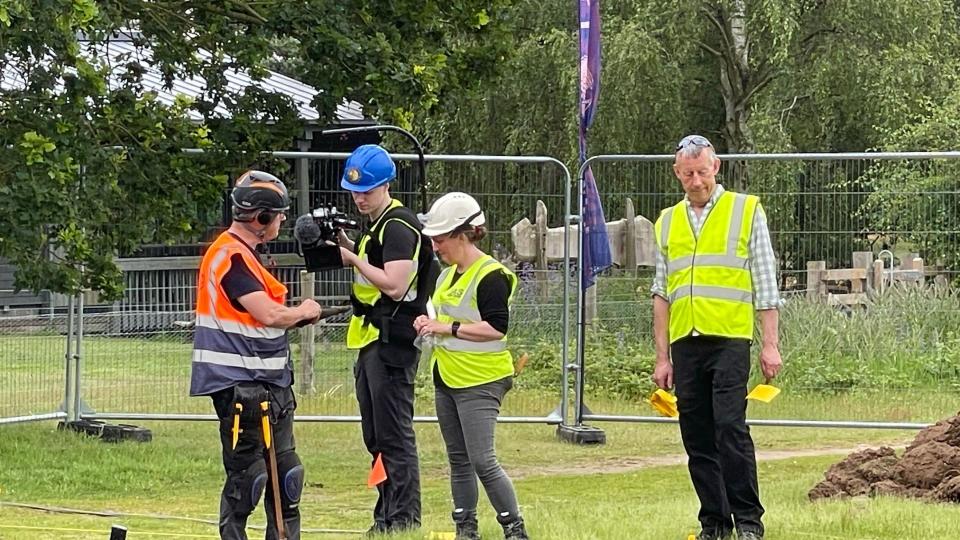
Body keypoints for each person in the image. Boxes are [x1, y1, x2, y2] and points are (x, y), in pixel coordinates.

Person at [651, 135, 783, 540]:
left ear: (716, 167)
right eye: (687, 174)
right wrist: (662, 356)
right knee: (696, 435)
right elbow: (661, 292)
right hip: (685, 343)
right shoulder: (667, 220)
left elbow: (765, 282)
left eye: (702, 172)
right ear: (677, 173)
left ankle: (748, 521)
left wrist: (770, 343)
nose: (695, 181)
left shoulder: (746, 210)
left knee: (730, 428)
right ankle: (713, 522)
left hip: (729, 339)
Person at [190, 170, 322, 540]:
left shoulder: (248, 256)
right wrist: (305, 310)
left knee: (287, 479)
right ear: (261, 218)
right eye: (278, 214)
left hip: (273, 386)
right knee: (248, 481)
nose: (282, 220)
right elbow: (269, 313)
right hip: (242, 390)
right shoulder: (230, 256)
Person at [413, 192, 530, 540]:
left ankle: (514, 528)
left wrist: (445, 328)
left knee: (483, 460)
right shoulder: (446, 276)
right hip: (447, 377)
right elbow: (443, 319)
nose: (436, 247)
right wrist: (427, 323)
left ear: (462, 234)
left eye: (440, 239)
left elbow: (496, 327)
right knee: (459, 460)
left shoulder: (492, 275)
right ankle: (465, 529)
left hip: (481, 380)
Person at [338, 144, 436, 534]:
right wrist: (342, 245)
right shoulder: (377, 226)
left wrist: (354, 260)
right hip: (371, 339)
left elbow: (395, 286)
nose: (360, 197)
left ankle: (404, 518)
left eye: (368, 190)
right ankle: (385, 516)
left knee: (394, 434)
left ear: (387, 185)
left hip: (392, 342)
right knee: (376, 435)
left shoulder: (398, 225)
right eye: (355, 190)